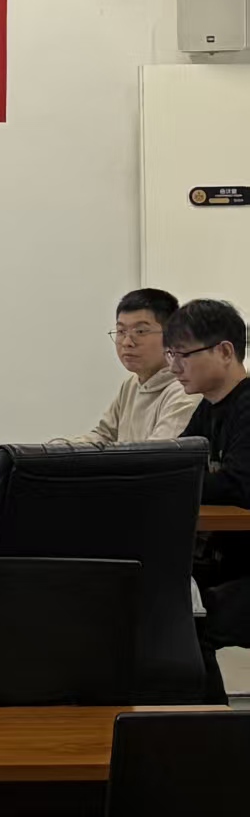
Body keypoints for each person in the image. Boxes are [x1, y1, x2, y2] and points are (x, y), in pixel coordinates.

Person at [166, 299, 250, 698]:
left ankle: (207, 730)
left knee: (186, 619)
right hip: (225, 559)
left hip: (240, 565)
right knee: (150, 597)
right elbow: (176, 463)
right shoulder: (210, 406)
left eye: (183, 355)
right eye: (171, 355)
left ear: (225, 351)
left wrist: (172, 478)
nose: (174, 367)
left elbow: (239, 486)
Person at [70, 288, 196, 445]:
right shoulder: (131, 384)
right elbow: (103, 436)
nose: (127, 342)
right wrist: (53, 450)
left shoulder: (185, 390)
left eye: (140, 331)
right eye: (121, 331)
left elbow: (157, 454)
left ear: (172, 336)